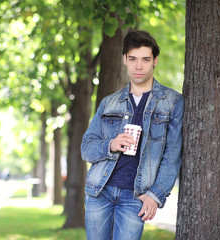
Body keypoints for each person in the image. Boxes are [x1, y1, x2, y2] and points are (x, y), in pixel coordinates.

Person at [81, 30, 183, 240]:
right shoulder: (109, 102)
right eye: (133, 59)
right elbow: (86, 148)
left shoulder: (172, 102)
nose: (139, 66)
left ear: (155, 61)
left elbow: (173, 154)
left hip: (135, 197)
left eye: (145, 59)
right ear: (125, 60)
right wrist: (111, 144)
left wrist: (155, 194)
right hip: (99, 192)